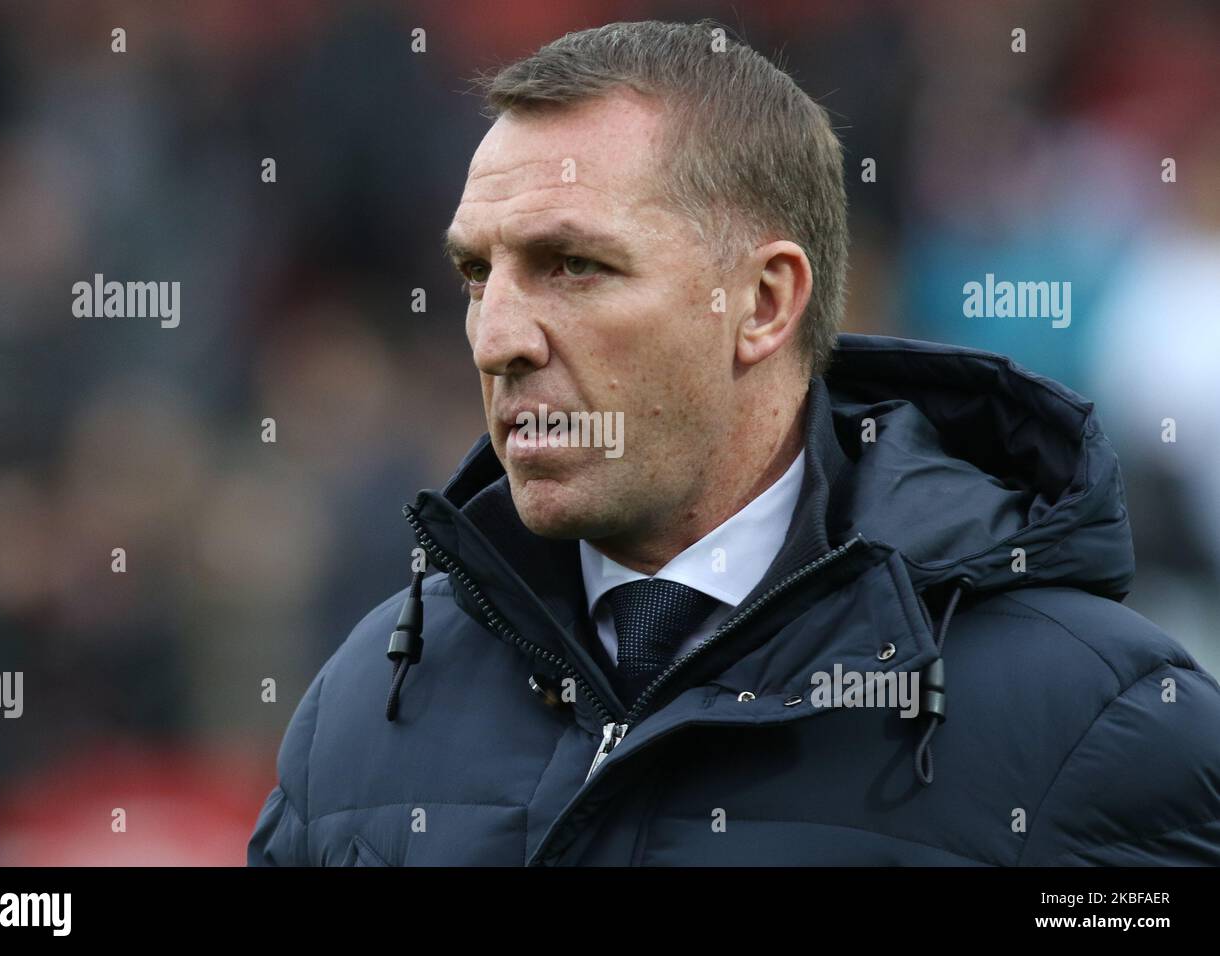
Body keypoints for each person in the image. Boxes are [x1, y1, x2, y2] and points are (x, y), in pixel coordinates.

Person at [249, 20, 1220, 866]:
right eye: (477, 272)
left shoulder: (1095, 725)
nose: (499, 336)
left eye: (573, 264)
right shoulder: (367, 702)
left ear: (762, 303)